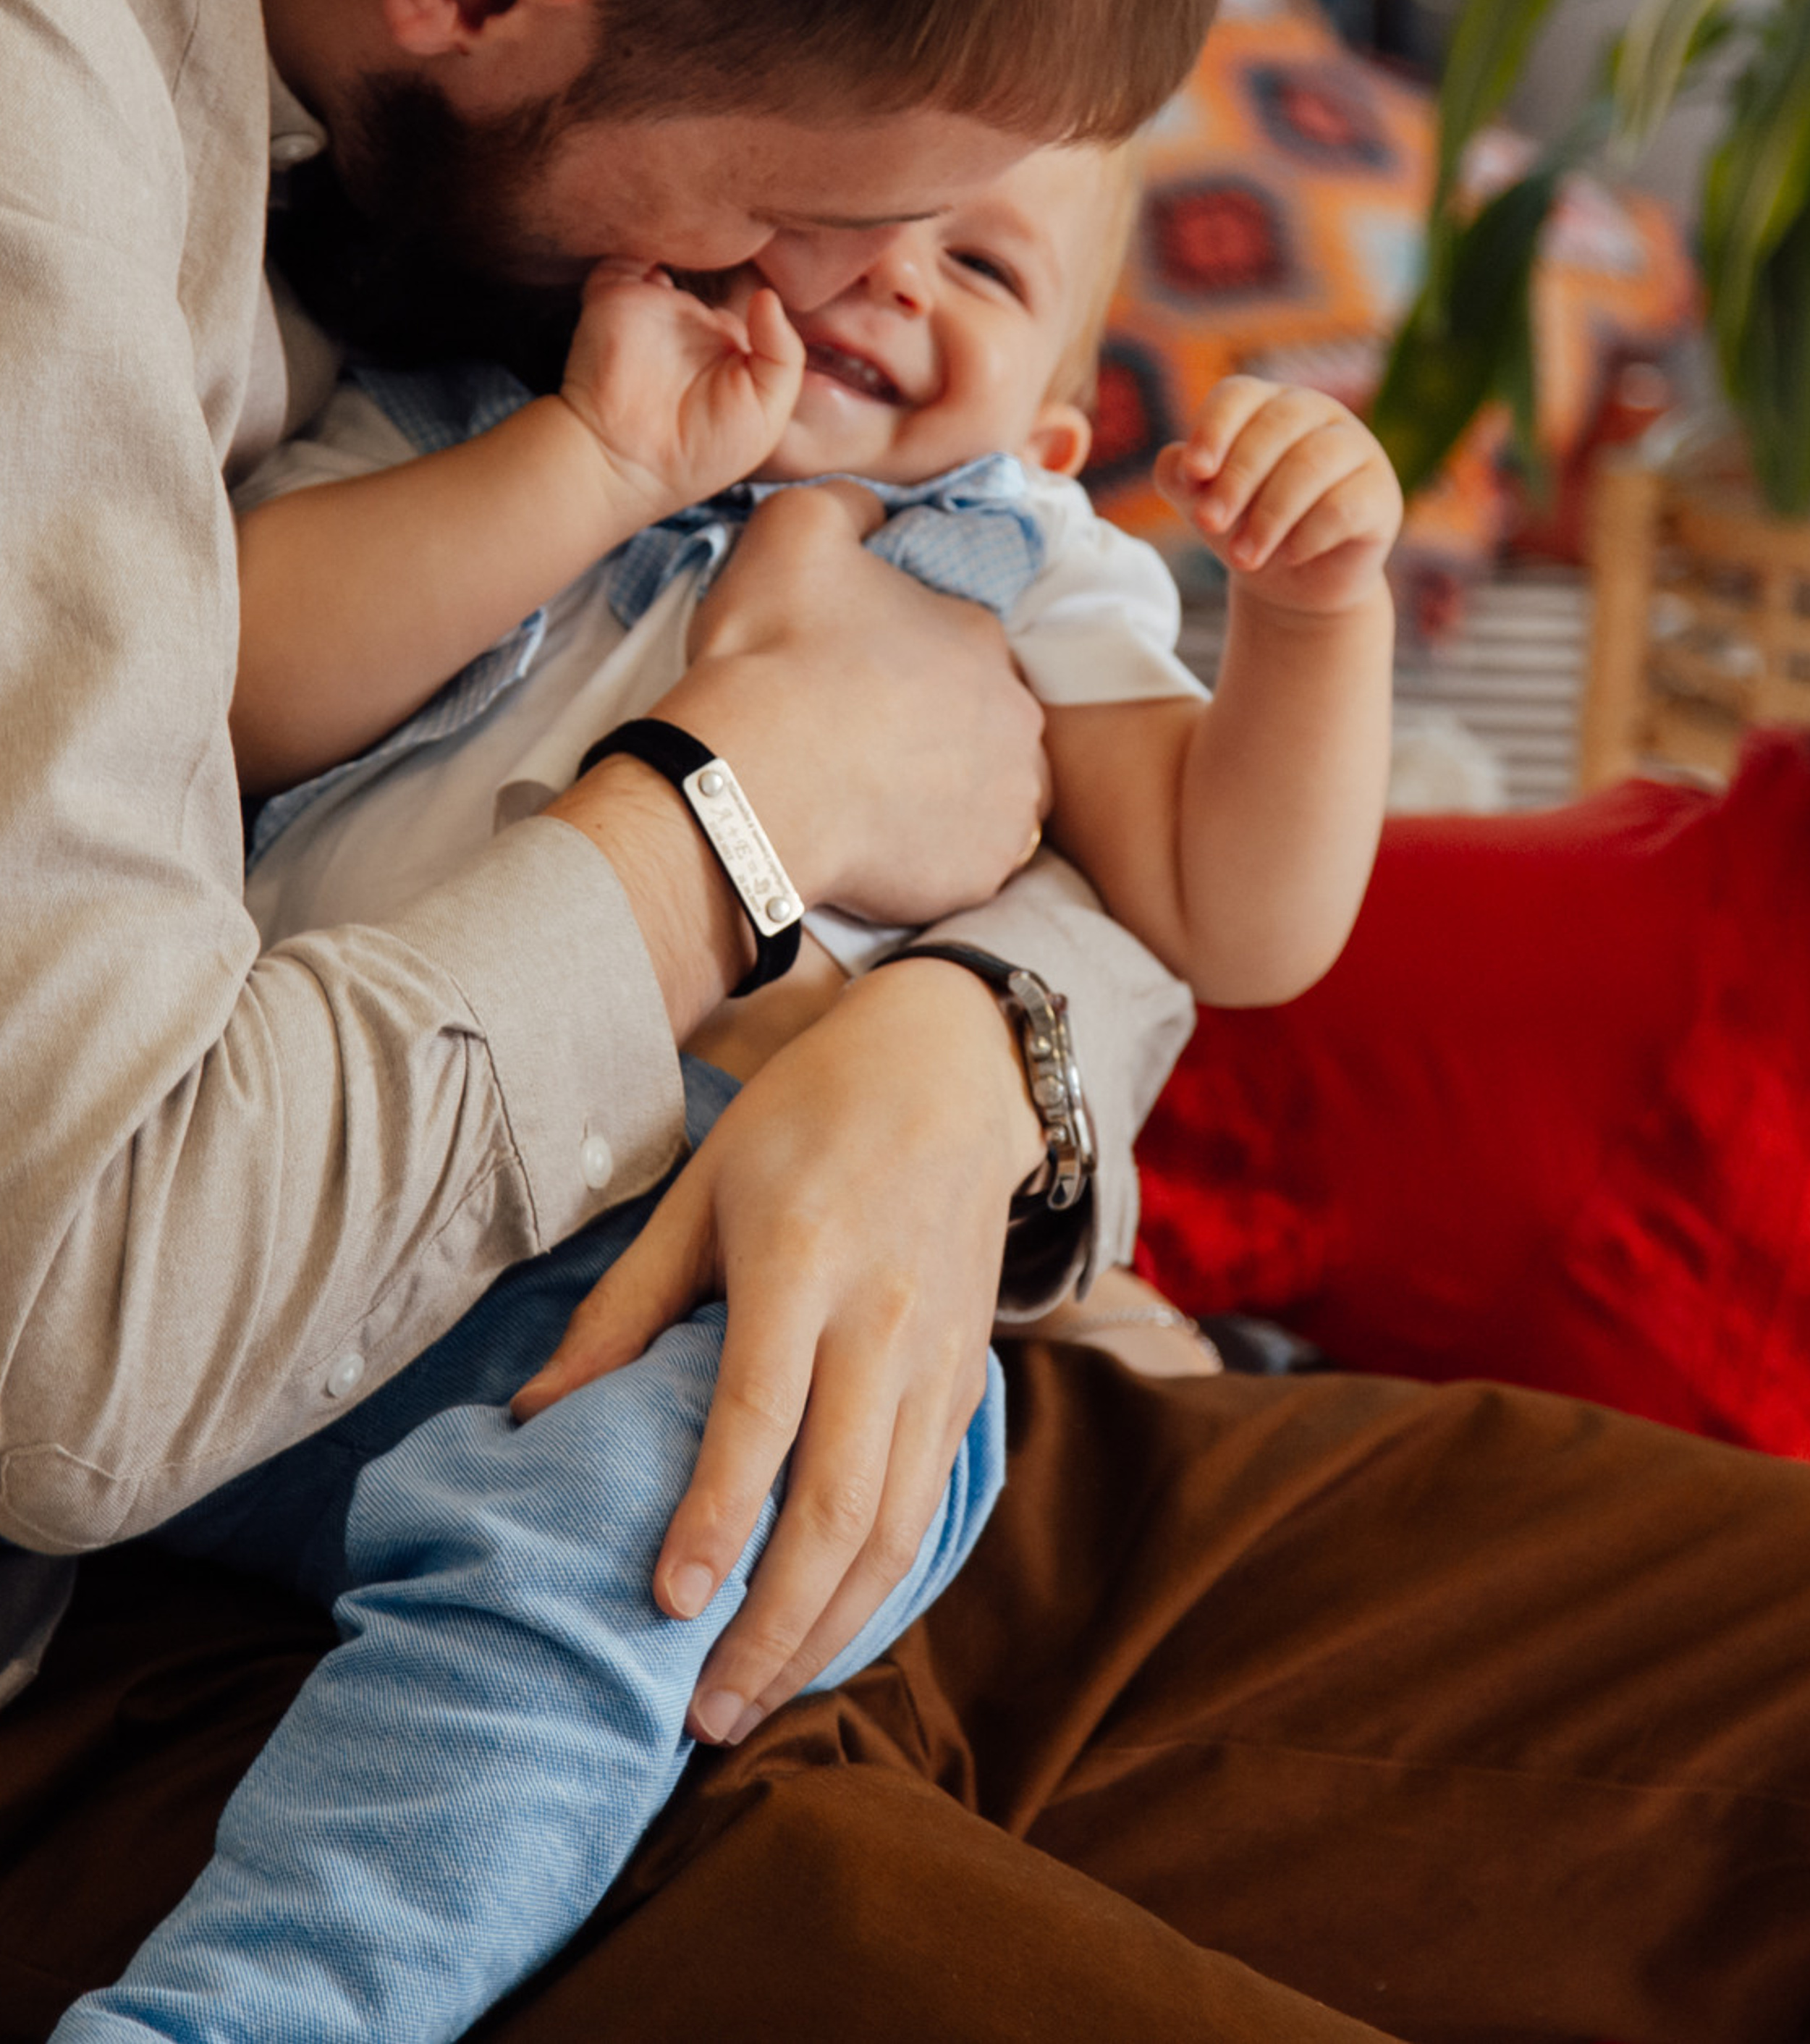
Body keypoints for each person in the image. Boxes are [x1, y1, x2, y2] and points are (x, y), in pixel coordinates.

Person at [12, 0, 1810, 2044]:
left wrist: (973, 1052)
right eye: (817, 213)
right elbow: (85, 1348)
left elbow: (1042, 744)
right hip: (229, 1575)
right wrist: (730, 829)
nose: (847, 310)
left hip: (800, 1338)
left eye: (978, 256)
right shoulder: (75, 85)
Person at [60, 132, 1397, 2042]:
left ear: (1063, 420)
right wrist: (596, 467)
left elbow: (1237, 915)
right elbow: (237, 672)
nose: (899, 274)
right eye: (861, 201)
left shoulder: (1024, 569)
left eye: (990, 269)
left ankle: (274, 2006)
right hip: (271, 1213)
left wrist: (1319, 616)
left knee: (673, 1503)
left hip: (663, 1291)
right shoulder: (484, 429)